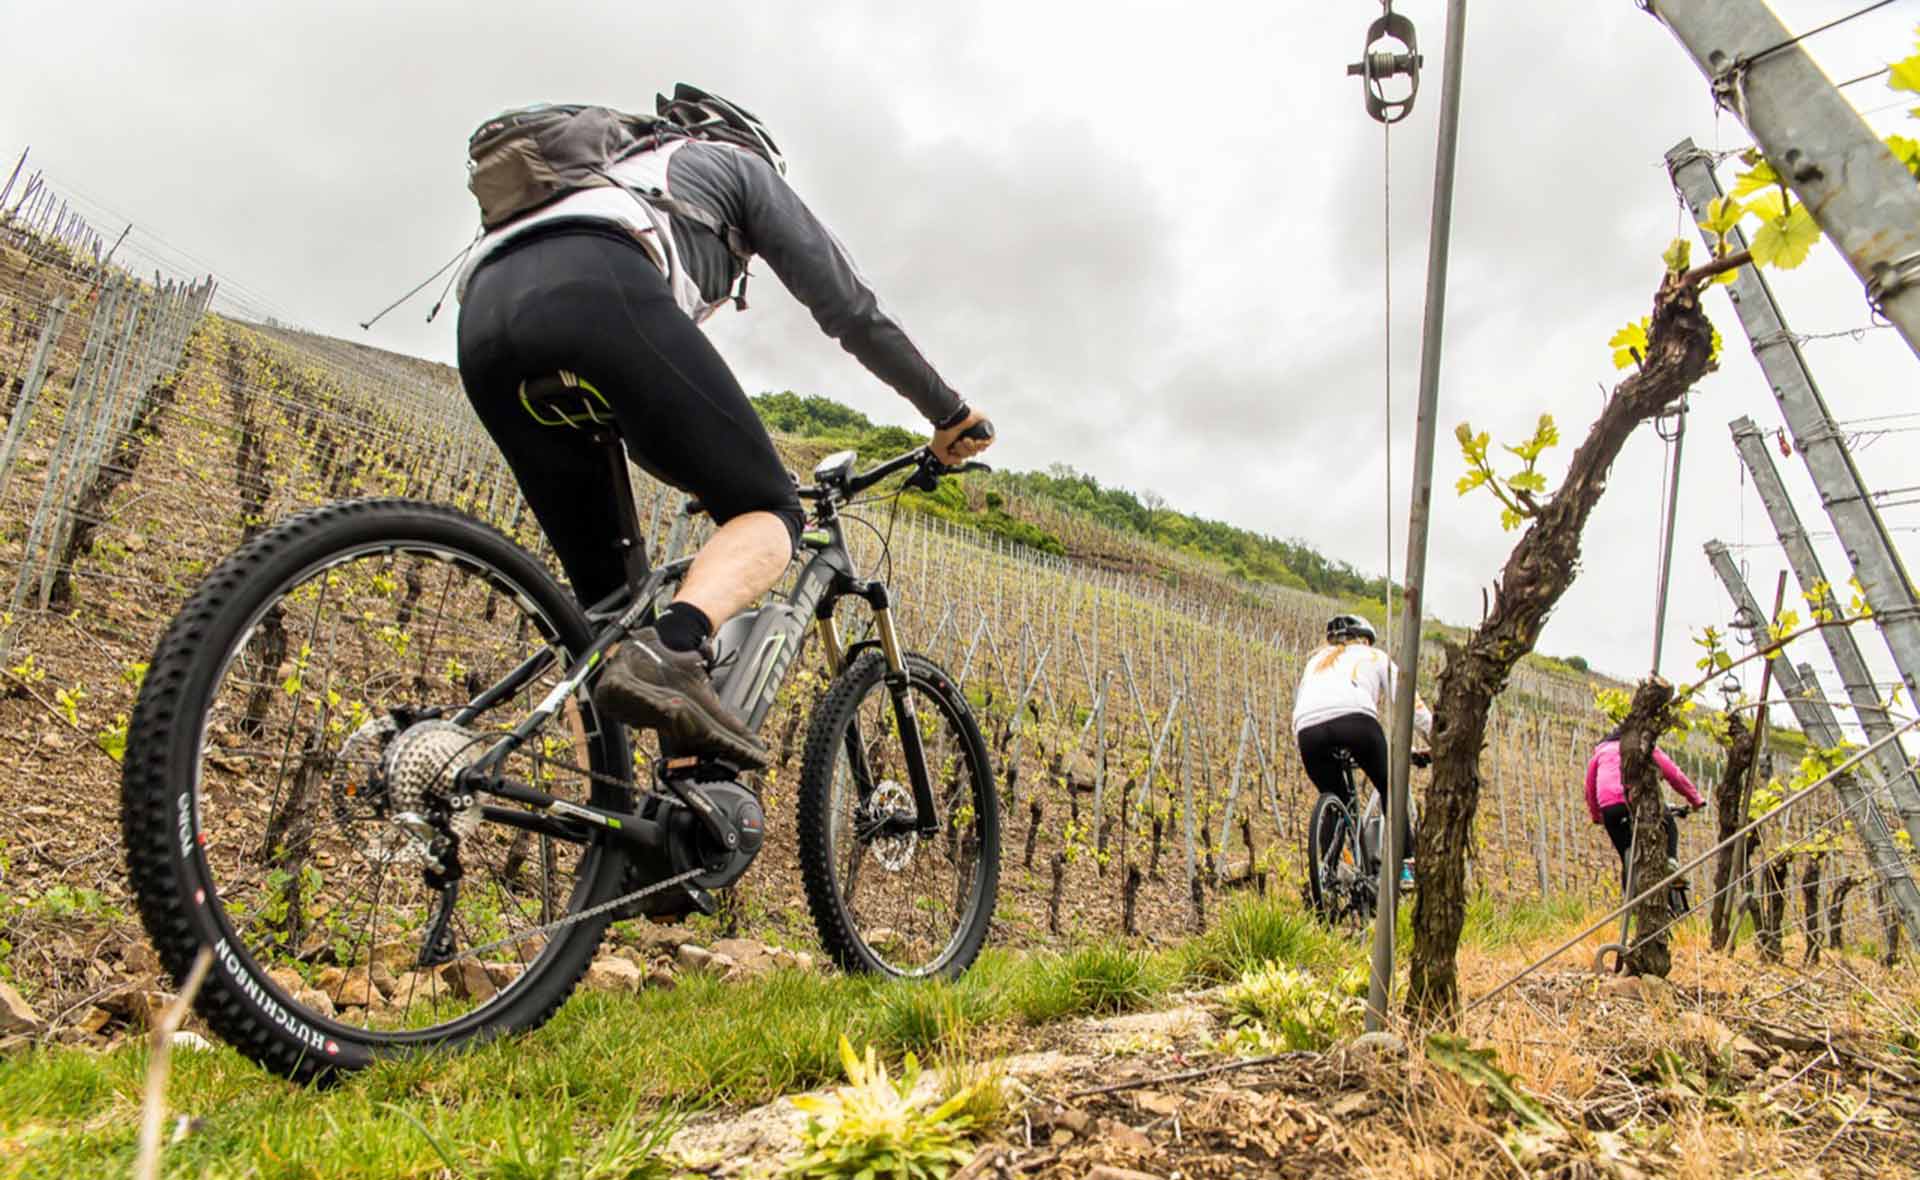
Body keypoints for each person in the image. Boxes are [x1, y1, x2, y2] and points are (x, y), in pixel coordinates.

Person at [453, 88, 993, 768]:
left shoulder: (611, 180)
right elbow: (851, 310)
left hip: (482, 326)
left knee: (611, 624)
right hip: (598, 289)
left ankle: (643, 830)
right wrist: (949, 413)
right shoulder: (734, 166)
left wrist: (703, 470)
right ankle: (677, 646)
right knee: (768, 509)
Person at [1292, 614, 1432, 887]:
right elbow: (1409, 703)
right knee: (1391, 787)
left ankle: (1328, 873)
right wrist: (1437, 739)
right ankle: (1405, 867)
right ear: (1365, 639)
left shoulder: (1314, 663)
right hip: (1356, 722)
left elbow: (1300, 708)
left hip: (1308, 731)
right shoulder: (1373, 656)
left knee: (1334, 797)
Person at [1584, 725, 1705, 893]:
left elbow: (1589, 788)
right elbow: (1674, 775)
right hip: (1638, 801)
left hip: (1610, 808)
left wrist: (1597, 816)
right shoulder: (1643, 748)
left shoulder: (1601, 753)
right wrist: (1695, 799)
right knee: (1668, 823)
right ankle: (1670, 862)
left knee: (1625, 855)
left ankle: (1629, 900)